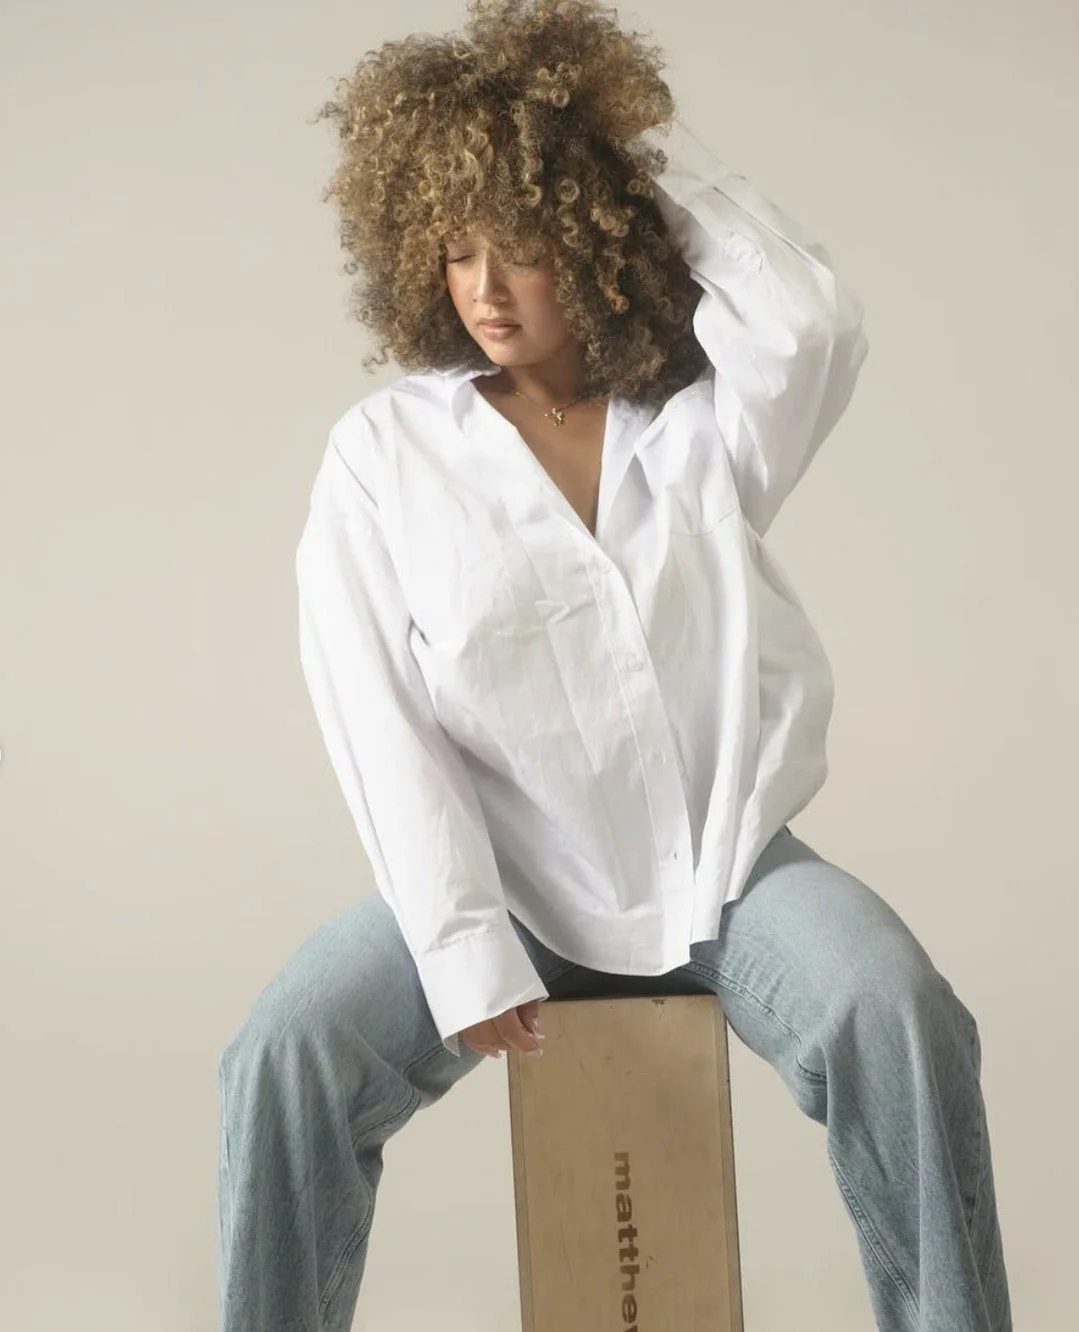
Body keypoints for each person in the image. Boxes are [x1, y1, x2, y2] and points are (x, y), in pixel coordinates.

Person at [216, 1, 1013, 1328]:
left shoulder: (697, 429)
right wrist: (464, 949)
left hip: (721, 871)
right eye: (455, 249)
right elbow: (375, 718)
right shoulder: (385, 454)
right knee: (284, 1055)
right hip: (505, 887)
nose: (481, 287)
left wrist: (629, 141)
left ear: (589, 242)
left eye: (519, 245)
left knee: (899, 1013)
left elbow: (809, 324)